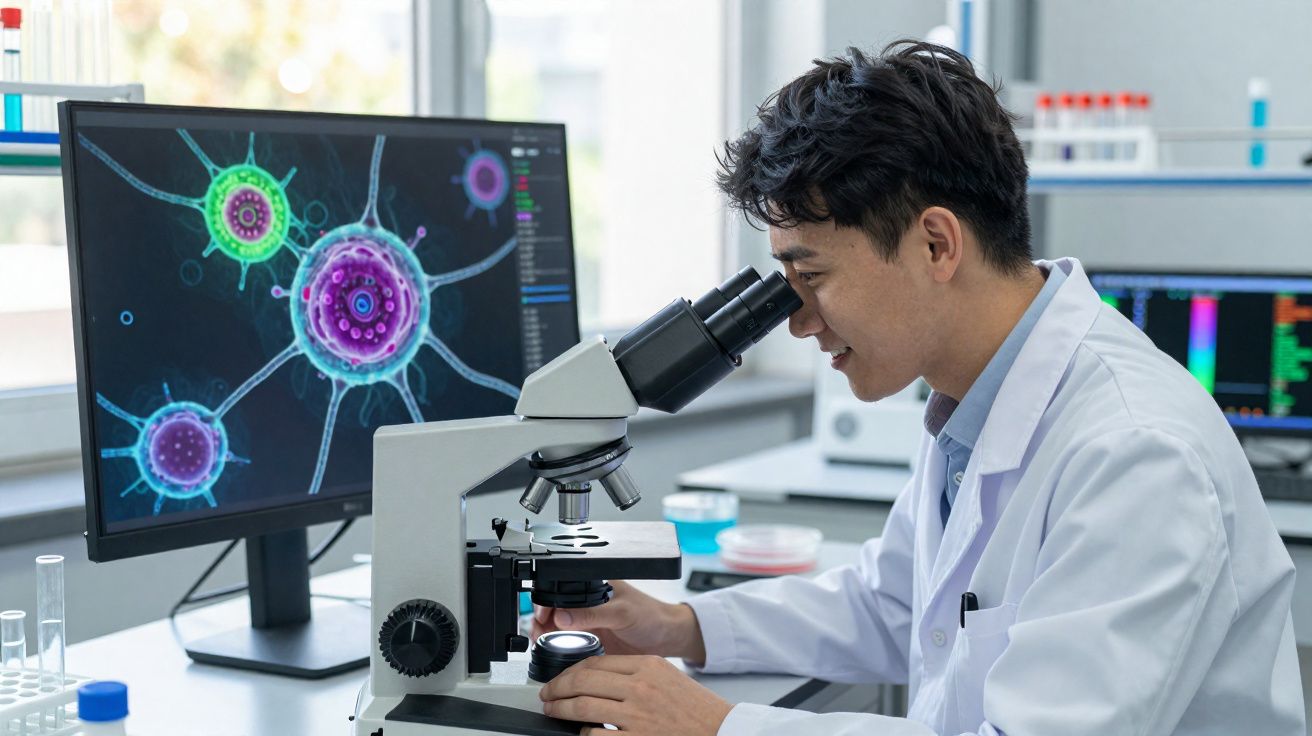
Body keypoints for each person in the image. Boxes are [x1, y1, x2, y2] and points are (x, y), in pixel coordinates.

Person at [534, 41, 1306, 735]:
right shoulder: (978, 397)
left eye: (811, 277)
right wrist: (679, 626)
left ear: (936, 244)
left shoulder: (1136, 455)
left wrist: (718, 727)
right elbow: (892, 601)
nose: (799, 323)